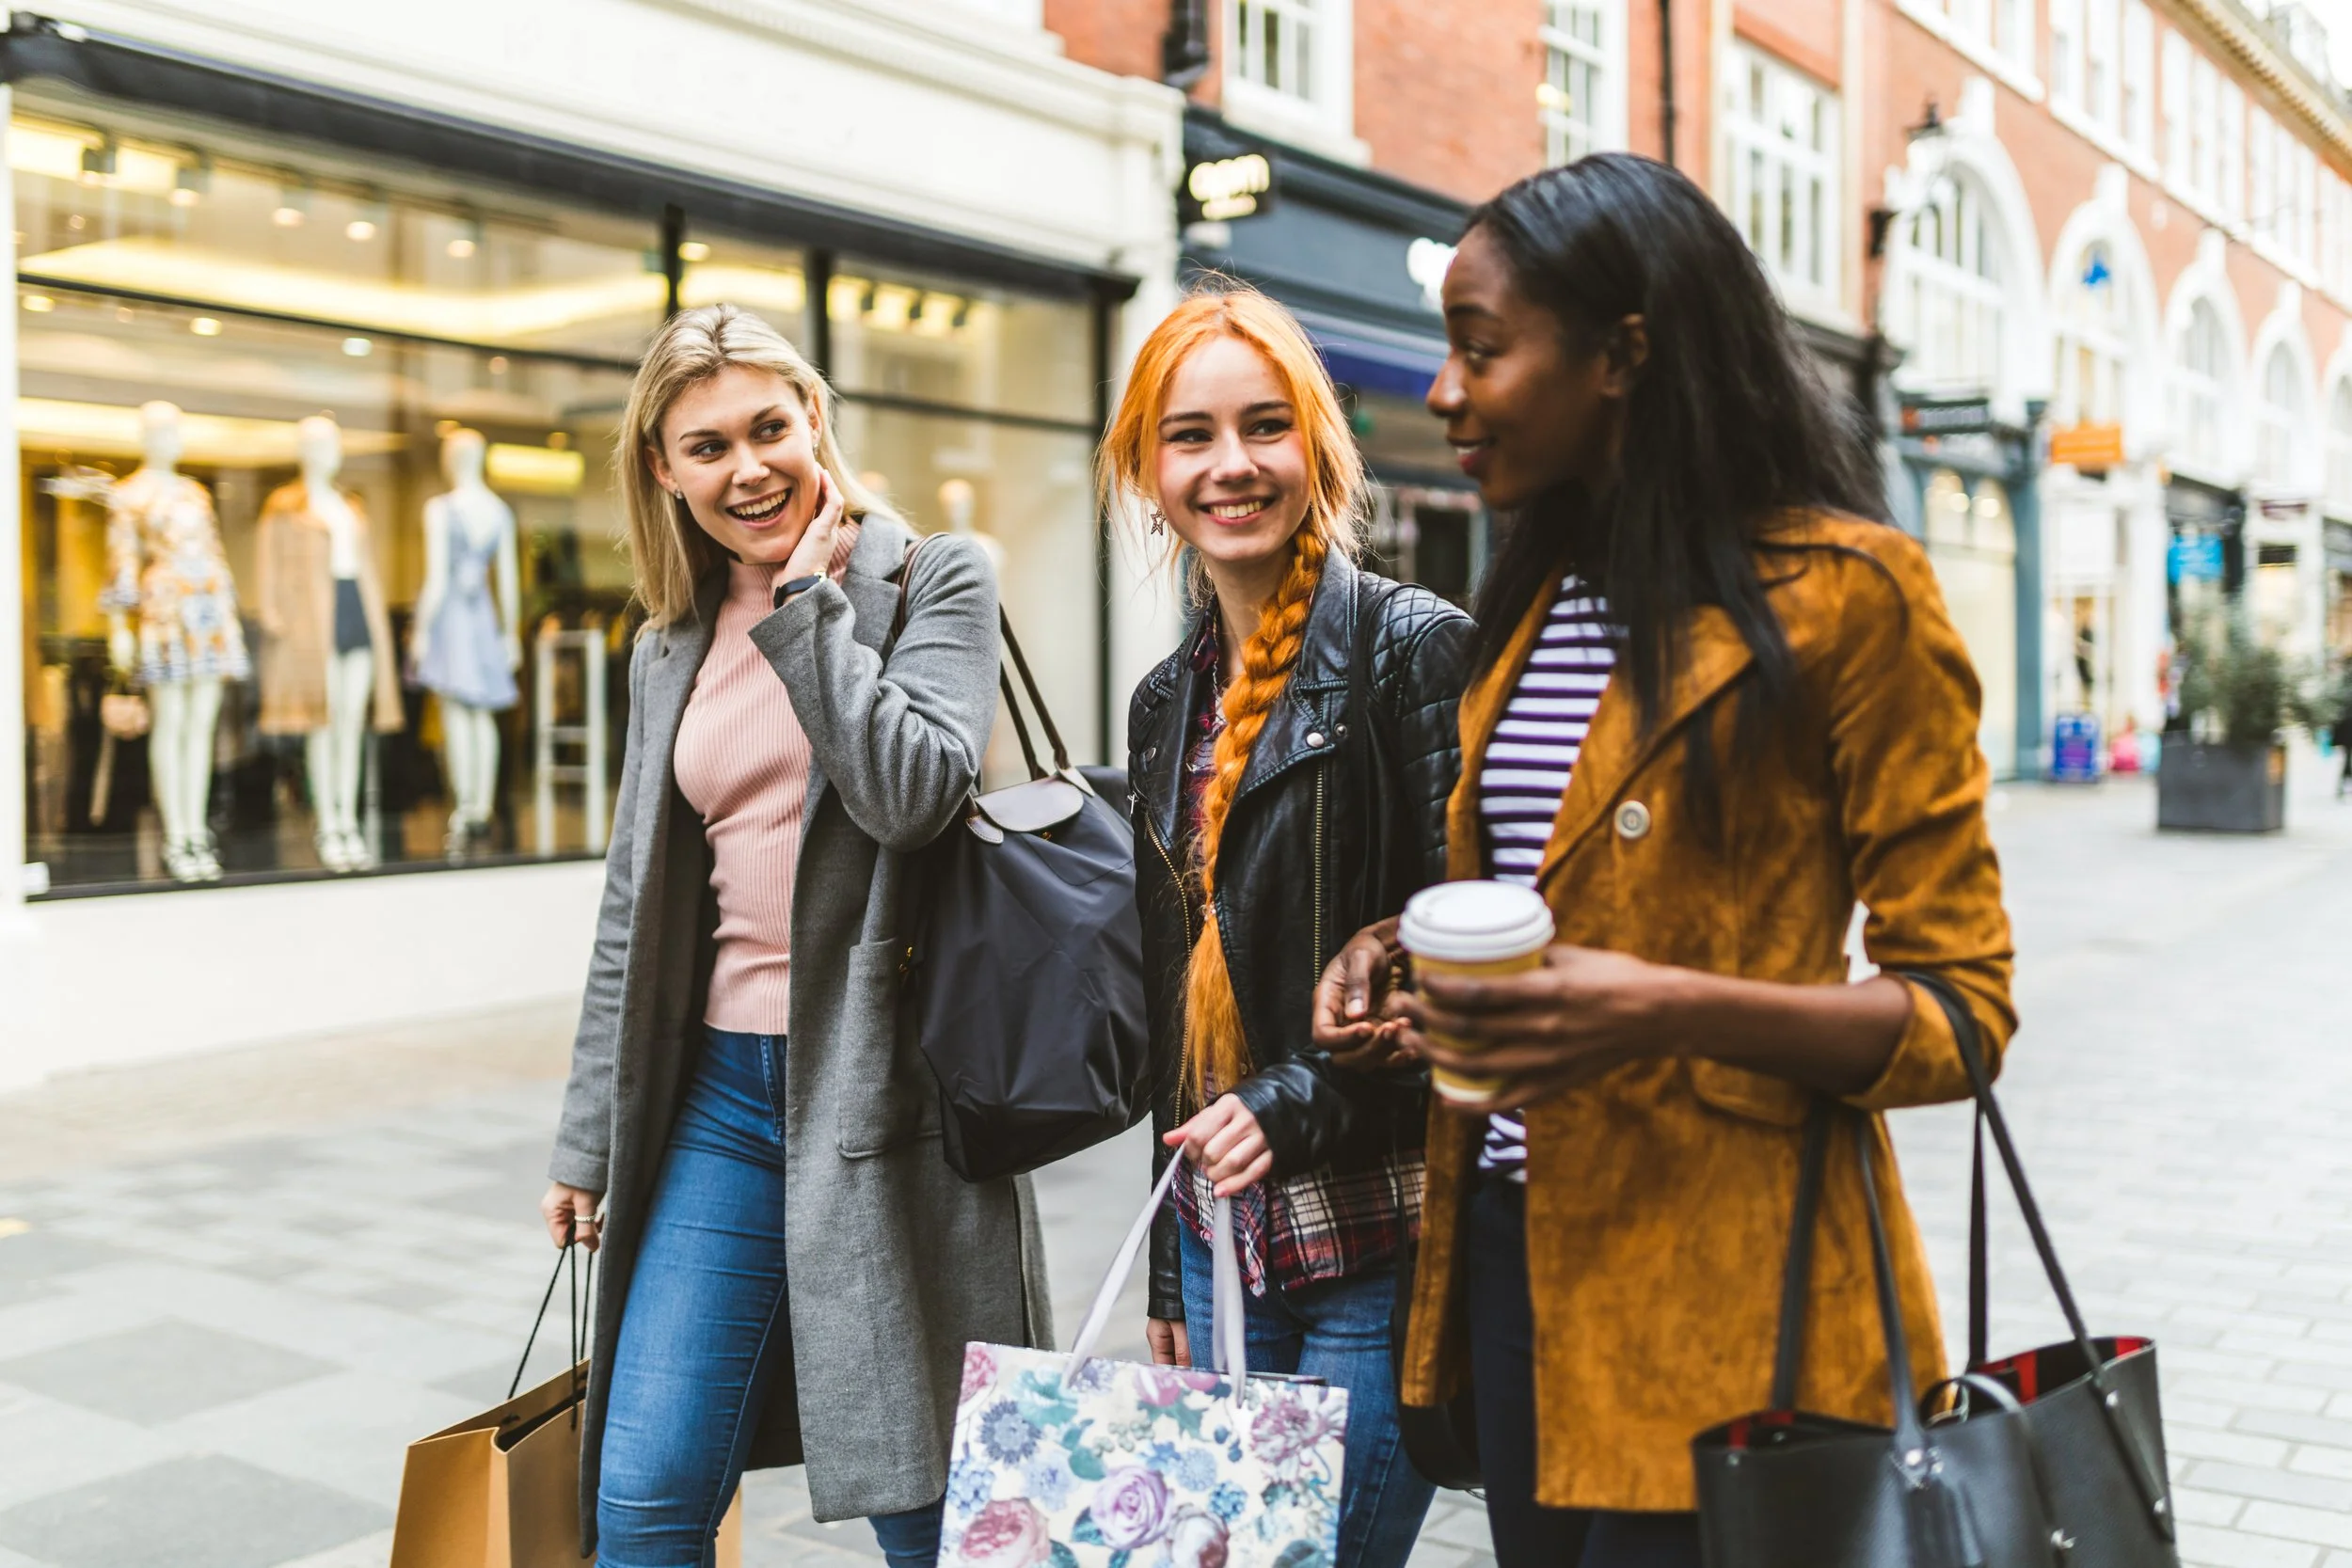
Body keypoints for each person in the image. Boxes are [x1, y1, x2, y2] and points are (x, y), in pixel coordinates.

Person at [1316, 154, 2016, 1568]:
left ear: (1623, 354)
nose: (1442, 389)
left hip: (1734, 1288)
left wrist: (1660, 1003)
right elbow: (1574, 878)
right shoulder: (1534, 599)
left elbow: (1963, 1012)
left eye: (1482, 347)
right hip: (1514, 1253)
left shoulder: (1852, 598)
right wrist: (1401, 940)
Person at [542, 303, 1045, 1568]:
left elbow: (914, 791)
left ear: (816, 419)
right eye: (705, 446)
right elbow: (633, 901)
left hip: (890, 1092)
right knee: (645, 1492)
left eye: (770, 427)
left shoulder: (937, 575)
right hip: (719, 1096)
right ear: (662, 468)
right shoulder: (669, 641)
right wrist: (586, 1140)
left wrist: (812, 607)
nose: (747, 468)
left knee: (925, 1504)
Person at [1103, 285, 1475, 1568]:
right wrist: (1166, 1271)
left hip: (1387, 1234)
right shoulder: (1167, 704)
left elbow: (1463, 968)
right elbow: (1174, 1017)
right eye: (1191, 435)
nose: (1231, 465)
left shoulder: (1409, 650)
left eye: (1264, 427)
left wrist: (1296, 1098)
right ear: (1147, 468)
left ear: (1316, 444)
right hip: (1224, 1244)